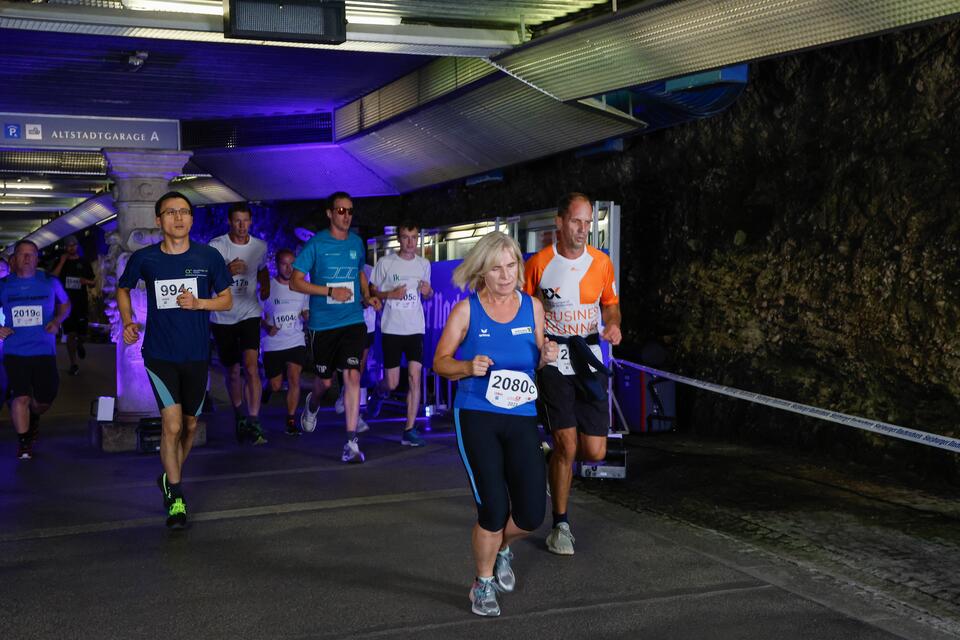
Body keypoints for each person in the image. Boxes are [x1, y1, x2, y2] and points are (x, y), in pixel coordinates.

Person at [434, 231, 558, 617]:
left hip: (521, 414)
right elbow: (440, 361)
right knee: (492, 507)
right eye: (496, 268)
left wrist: (546, 356)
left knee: (532, 514)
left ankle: (502, 547)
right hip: (477, 415)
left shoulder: (533, 308)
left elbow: (535, 358)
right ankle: (482, 583)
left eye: (512, 266)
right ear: (482, 273)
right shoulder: (466, 311)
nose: (506, 276)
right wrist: (467, 367)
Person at [117, 191, 233, 529]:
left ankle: (170, 477)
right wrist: (128, 321)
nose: (178, 218)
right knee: (172, 425)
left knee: (191, 426)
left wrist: (199, 304)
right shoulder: (146, 259)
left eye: (183, 212)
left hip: (196, 355)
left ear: (191, 220)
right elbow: (123, 288)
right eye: (170, 212)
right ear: (158, 220)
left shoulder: (208, 257)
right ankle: (177, 498)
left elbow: (226, 301)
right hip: (160, 354)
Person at [523, 192, 622, 556]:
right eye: (577, 222)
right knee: (567, 444)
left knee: (594, 451)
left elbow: (611, 306)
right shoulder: (539, 264)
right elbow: (524, 308)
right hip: (555, 361)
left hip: (590, 359)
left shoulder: (601, 263)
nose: (584, 230)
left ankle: (553, 462)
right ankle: (561, 525)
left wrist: (613, 326)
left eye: (588, 222)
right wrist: (537, 346)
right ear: (560, 222)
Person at [291, 191, 381, 463]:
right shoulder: (316, 244)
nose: (346, 215)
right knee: (325, 382)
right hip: (323, 324)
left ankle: (351, 442)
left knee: (352, 375)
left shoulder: (356, 242)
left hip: (353, 320)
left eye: (350, 211)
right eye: (340, 211)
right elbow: (296, 281)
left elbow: (359, 274)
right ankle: (313, 403)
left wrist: (367, 296)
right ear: (330, 213)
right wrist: (329, 291)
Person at [0, 240, 71, 460]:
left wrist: (58, 321)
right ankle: (24, 443)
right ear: (14, 259)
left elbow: (65, 304)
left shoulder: (50, 282)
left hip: (43, 351)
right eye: (23, 254)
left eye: (31, 254)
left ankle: (34, 415)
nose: (27, 258)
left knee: (43, 400)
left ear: (37, 258)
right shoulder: (4, 285)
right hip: (15, 351)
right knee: (20, 397)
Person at [209, 203, 270, 445]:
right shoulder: (217, 246)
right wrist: (226, 270)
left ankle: (254, 419)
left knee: (251, 366)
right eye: (237, 221)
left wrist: (265, 285)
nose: (242, 226)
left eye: (246, 221)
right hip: (222, 315)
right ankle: (239, 415)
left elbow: (263, 269)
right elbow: (206, 278)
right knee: (233, 371)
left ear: (251, 222)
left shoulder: (259, 246)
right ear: (230, 222)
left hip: (249, 313)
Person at [368, 222, 433, 446]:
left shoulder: (424, 264)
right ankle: (379, 391)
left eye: (414, 237)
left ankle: (409, 429)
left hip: (415, 328)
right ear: (399, 239)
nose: (410, 242)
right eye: (406, 237)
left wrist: (429, 292)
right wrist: (390, 294)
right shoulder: (386, 263)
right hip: (392, 328)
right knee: (392, 382)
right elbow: (372, 290)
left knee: (415, 377)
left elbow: (428, 293)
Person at [260, 249, 309, 436]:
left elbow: (305, 311)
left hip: (295, 340)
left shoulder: (302, 287)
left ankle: (291, 419)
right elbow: (255, 313)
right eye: (284, 264)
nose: (289, 268)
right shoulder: (267, 289)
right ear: (277, 265)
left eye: (292, 264)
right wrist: (266, 326)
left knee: (295, 378)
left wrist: (308, 317)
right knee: (276, 386)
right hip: (273, 343)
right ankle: (267, 388)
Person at [50, 235, 95, 376]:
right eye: (69, 245)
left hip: (81, 302)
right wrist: (62, 262)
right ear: (65, 247)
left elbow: (93, 282)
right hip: (65, 304)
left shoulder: (84, 262)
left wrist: (85, 282)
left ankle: (80, 343)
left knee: (82, 334)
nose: (72, 247)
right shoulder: (60, 261)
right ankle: (73, 363)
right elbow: (52, 277)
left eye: (74, 245)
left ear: (77, 246)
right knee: (71, 333)